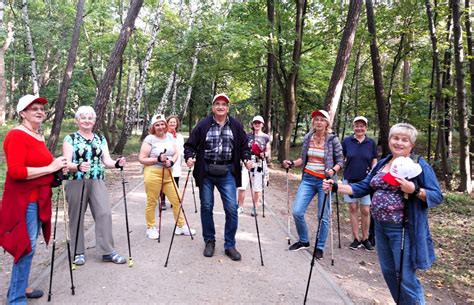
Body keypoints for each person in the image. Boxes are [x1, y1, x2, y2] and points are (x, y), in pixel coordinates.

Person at [323, 123, 443, 304]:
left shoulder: (418, 164)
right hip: (380, 227)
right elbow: (363, 186)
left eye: (405, 140)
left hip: (403, 229)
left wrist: (415, 190)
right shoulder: (383, 163)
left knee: (405, 277)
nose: (399, 143)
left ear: (411, 144)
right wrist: (336, 187)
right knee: (388, 273)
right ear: (389, 141)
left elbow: (437, 196)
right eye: (396, 138)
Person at [0, 94, 68, 303]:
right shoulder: (16, 135)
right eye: (33, 108)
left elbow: (40, 166)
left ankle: (21, 288)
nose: (40, 111)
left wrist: (56, 169)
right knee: (26, 246)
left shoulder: (37, 136)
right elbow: (16, 172)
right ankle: (16, 298)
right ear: (22, 114)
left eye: (41, 108)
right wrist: (51, 167)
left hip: (38, 199)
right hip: (24, 201)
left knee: (29, 245)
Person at [184, 93, 252, 261]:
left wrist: (247, 158)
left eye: (224, 104)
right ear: (213, 107)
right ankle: (209, 241)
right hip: (206, 170)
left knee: (231, 208)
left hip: (227, 170)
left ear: (228, 108)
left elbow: (244, 146)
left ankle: (230, 245)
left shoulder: (235, 125)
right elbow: (190, 145)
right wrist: (190, 156)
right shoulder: (204, 124)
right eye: (217, 104)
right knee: (207, 206)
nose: (221, 107)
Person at [63, 106, 127, 266]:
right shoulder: (70, 138)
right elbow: (65, 163)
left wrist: (117, 164)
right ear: (77, 120)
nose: (87, 120)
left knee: (104, 213)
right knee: (77, 215)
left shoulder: (100, 139)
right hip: (76, 180)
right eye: (83, 117)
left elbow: (106, 161)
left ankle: (107, 251)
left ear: (94, 120)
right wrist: (77, 166)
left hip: (97, 179)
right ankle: (78, 252)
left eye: (90, 118)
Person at [282, 109, 343, 260]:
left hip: (325, 181)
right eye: (316, 119)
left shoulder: (333, 139)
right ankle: (304, 240)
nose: (319, 122)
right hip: (308, 179)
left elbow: (341, 160)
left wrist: (333, 170)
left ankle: (320, 246)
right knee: (297, 211)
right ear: (313, 122)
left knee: (323, 216)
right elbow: (303, 159)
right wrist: (291, 163)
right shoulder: (309, 137)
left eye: (322, 119)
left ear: (327, 122)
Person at [139, 113, 195, 240]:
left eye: (162, 124)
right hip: (153, 173)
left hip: (168, 173)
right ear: (153, 127)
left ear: (165, 125)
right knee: (152, 201)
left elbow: (176, 153)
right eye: (157, 125)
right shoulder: (150, 139)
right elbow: (142, 159)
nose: (160, 127)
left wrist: (172, 161)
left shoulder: (169, 136)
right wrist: (157, 159)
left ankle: (181, 225)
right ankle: (151, 227)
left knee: (177, 199)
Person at [342, 116, 377, 251]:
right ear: (353, 127)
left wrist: (373, 173)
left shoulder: (371, 143)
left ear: (366, 128)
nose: (359, 128)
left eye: (362, 126)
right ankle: (356, 238)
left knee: (366, 210)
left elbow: (374, 160)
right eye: (357, 125)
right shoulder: (346, 141)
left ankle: (365, 238)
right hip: (349, 179)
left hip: (366, 181)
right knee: (352, 208)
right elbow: (342, 158)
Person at [237, 115, 271, 217]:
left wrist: (264, 154)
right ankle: (240, 206)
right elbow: (242, 149)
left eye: (259, 123)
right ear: (252, 124)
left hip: (259, 163)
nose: (257, 124)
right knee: (242, 186)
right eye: (255, 122)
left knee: (257, 188)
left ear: (262, 124)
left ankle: (255, 207)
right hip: (247, 163)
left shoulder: (265, 137)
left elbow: (268, 150)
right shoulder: (247, 136)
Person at [159, 115, 185, 210]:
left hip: (177, 162)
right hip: (166, 161)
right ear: (167, 124)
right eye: (171, 122)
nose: (173, 123)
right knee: (164, 181)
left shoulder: (180, 136)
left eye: (174, 122)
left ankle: (175, 200)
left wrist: (187, 158)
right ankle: (162, 201)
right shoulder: (164, 135)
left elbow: (182, 149)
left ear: (177, 124)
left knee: (176, 181)